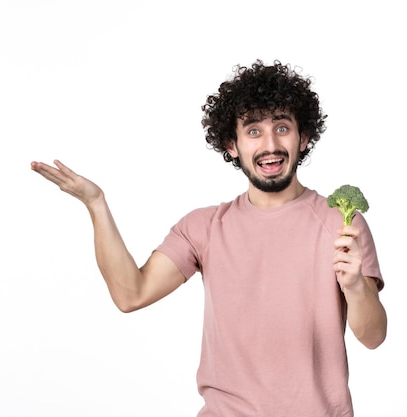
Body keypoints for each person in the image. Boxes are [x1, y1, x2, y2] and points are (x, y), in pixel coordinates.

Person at [30, 59, 387, 417]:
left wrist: (356, 286)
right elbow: (130, 294)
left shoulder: (340, 222)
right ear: (231, 145)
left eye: (282, 127)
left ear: (303, 137)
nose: (270, 144)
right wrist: (97, 204)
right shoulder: (204, 227)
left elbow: (373, 337)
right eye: (253, 131)